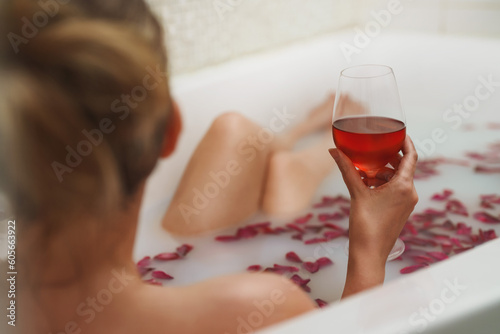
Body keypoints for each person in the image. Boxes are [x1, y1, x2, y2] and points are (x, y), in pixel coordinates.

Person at [0, 0, 418, 333]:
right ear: (171, 130)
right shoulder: (254, 311)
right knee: (237, 138)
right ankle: (297, 158)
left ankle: (289, 143)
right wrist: (369, 252)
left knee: (234, 132)